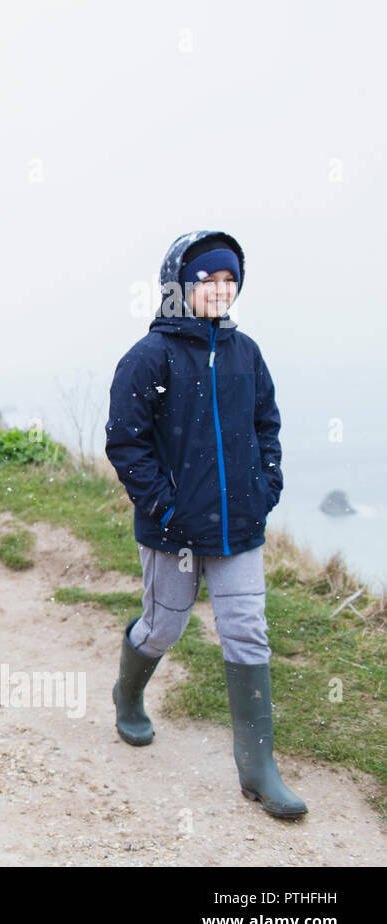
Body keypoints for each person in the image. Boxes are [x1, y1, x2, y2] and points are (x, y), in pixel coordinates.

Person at [105, 230, 306, 818]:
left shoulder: (247, 354)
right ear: (179, 286)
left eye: (228, 279)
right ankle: (129, 694)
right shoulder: (150, 357)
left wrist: (265, 487)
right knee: (163, 629)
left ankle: (259, 770)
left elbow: (267, 424)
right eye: (207, 279)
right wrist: (165, 507)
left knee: (248, 631)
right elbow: (126, 443)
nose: (221, 289)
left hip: (240, 526)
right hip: (175, 534)